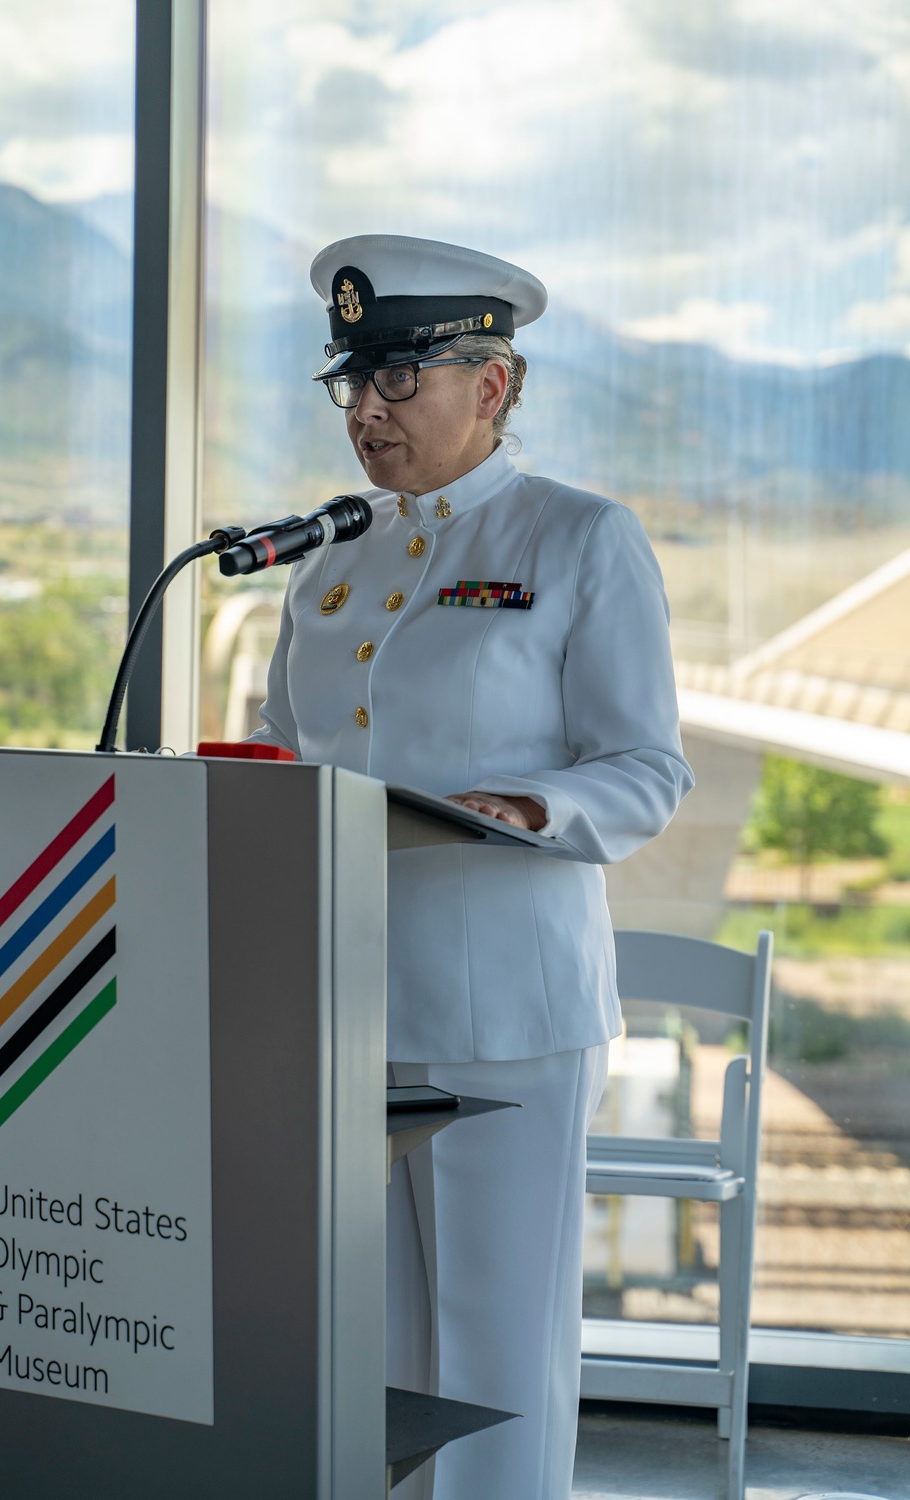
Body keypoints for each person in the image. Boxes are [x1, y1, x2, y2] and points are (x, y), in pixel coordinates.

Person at [247, 234, 694, 1500]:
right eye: (354, 384)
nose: (369, 415)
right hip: (343, 1005)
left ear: (490, 385)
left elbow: (645, 769)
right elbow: (294, 752)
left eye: (400, 382)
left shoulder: (578, 538)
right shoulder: (329, 559)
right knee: (363, 1351)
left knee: (494, 1347)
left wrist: (531, 804)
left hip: (505, 1006)